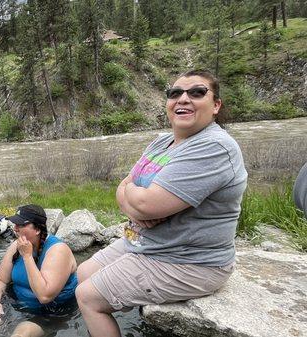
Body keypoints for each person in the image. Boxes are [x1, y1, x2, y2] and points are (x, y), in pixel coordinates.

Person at [75, 69, 248, 337]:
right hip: (150, 243)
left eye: (197, 92)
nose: (183, 98)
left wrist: (137, 202)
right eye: (175, 93)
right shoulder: (162, 142)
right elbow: (125, 187)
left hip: (188, 261)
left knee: (87, 297)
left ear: (216, 105)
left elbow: (143, 204)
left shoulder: (214, 146)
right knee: (83, 272)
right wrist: (135, 200)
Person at [0, 204, 78, 337]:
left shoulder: (58, 250)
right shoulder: (17, 246)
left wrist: (27, 256)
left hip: (50, 313)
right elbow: (1, 279)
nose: (15, 228)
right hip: (18, 305)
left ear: (37, 229)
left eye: (20, 225)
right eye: (15, 224)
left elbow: (44, 296)